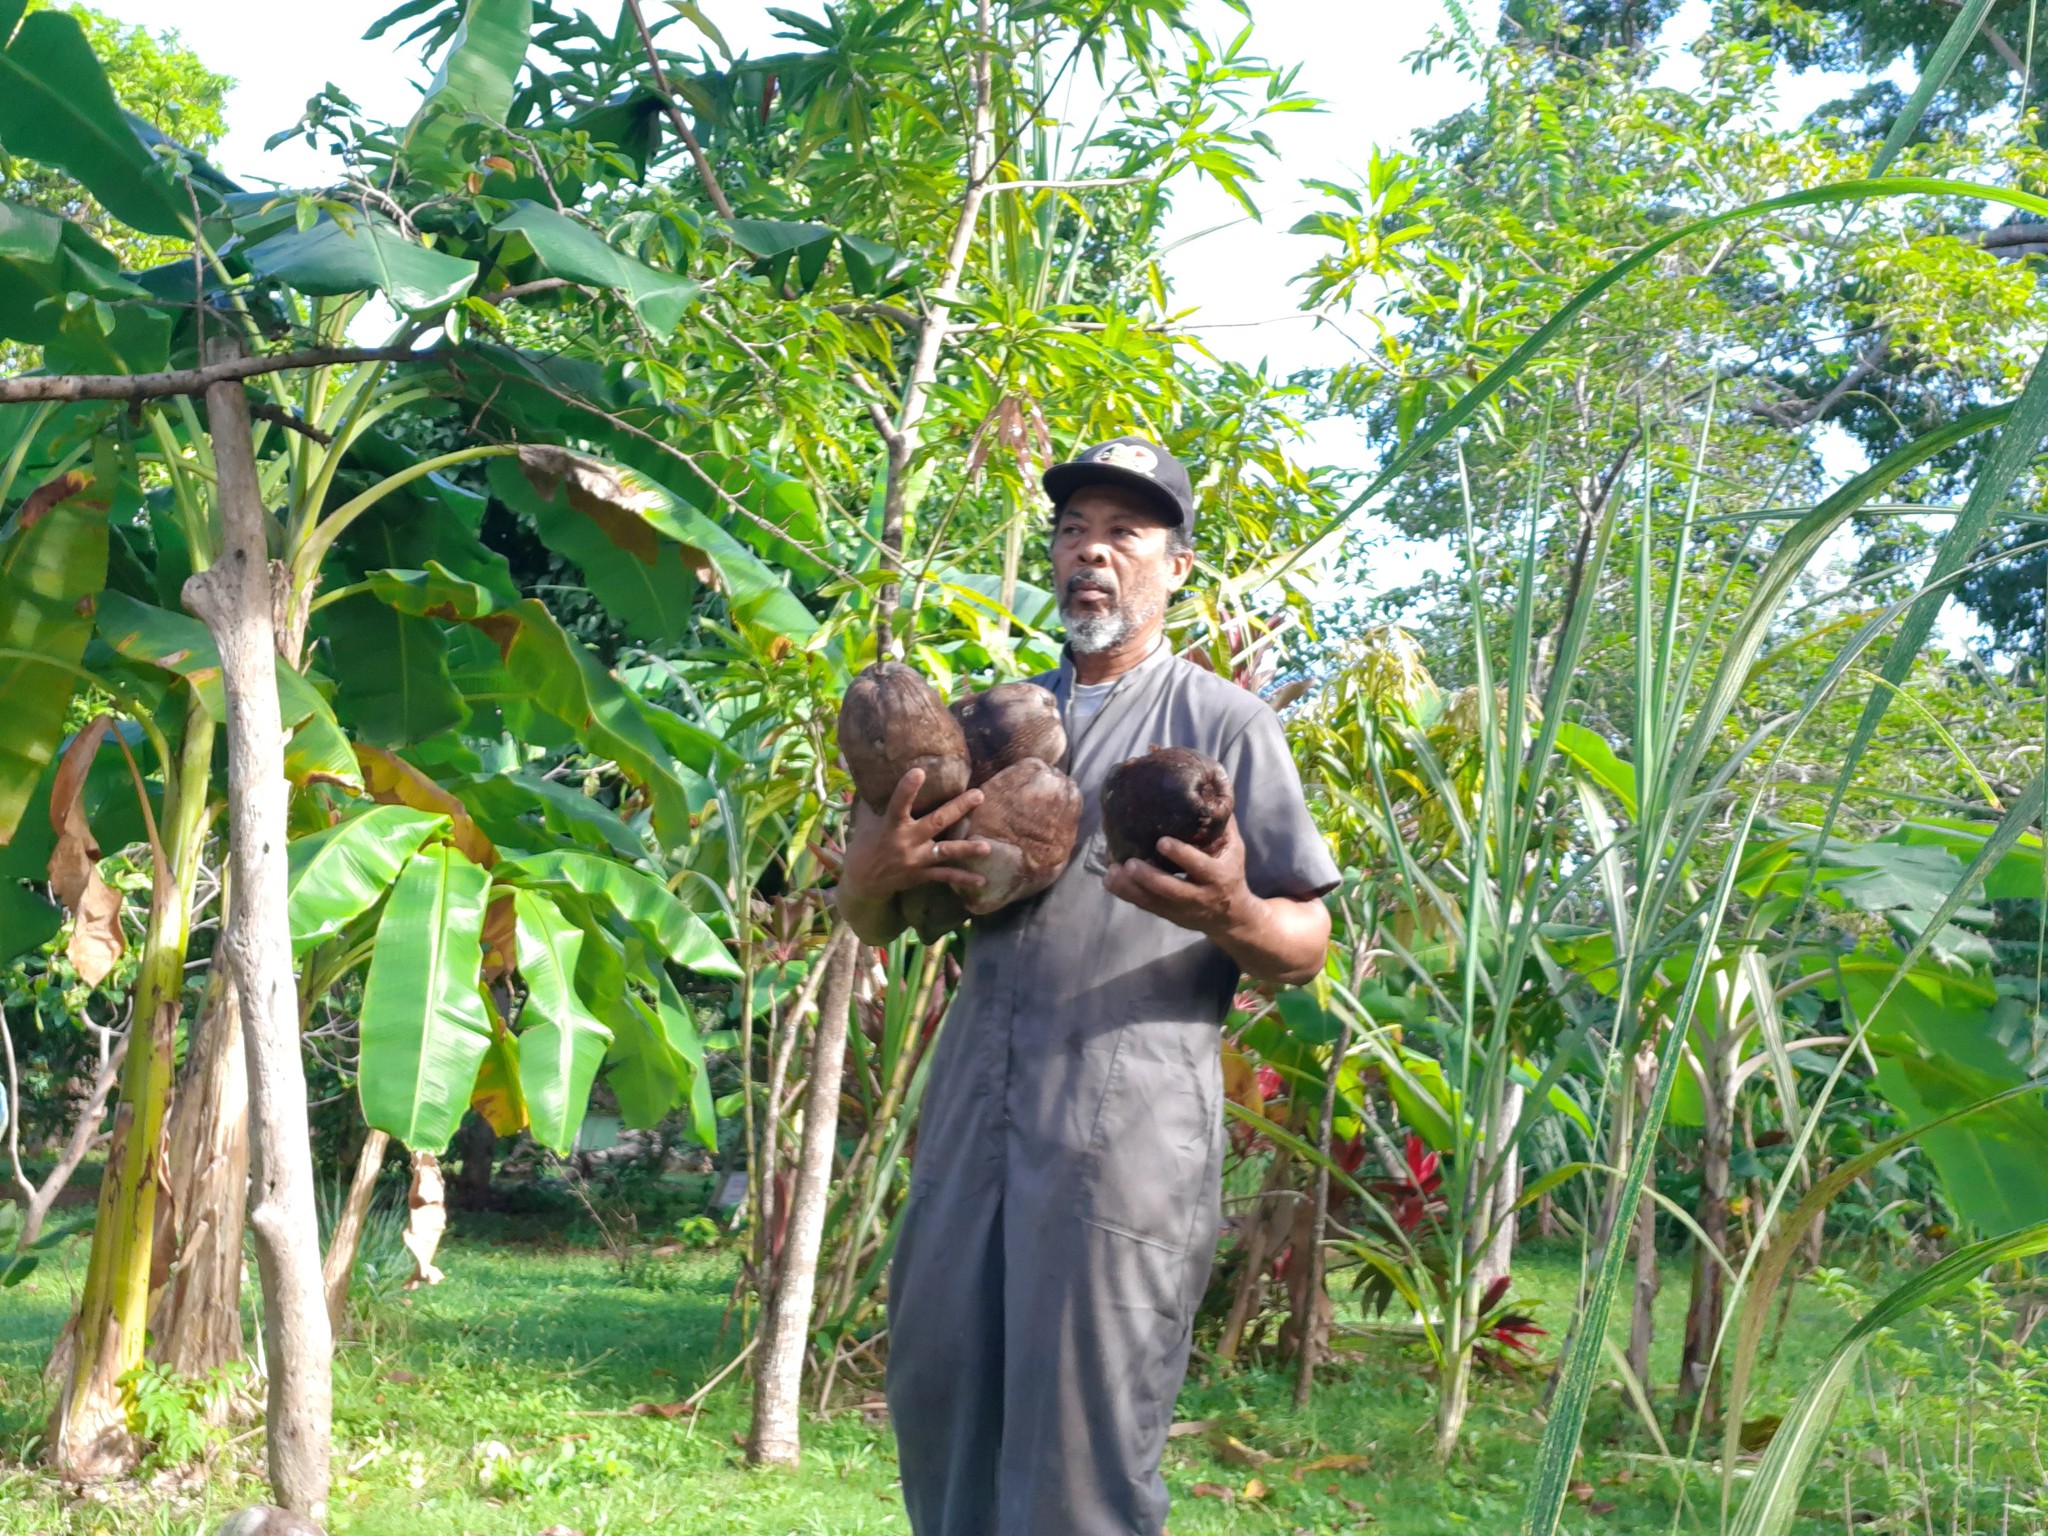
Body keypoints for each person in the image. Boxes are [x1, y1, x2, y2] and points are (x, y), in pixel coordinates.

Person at [835, 435, 1340, 1536]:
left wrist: (1232, 912)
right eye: (1072, 532)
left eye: (1123, 534)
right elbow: (878, 915)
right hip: (971, 1113)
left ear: (1177, 567)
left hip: (1125, 1133)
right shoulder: (990, 724)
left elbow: (1305, 942)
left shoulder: (1223, 726)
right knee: (940, 1400)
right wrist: (868, 878)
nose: (1090, 554)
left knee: (1081, 1449)